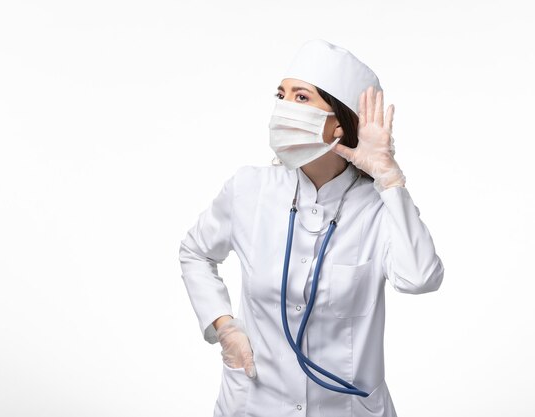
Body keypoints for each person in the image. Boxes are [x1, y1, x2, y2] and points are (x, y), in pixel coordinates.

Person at [178, 39, 444, 417]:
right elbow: (195, 252)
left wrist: (390, 179)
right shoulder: (249, 189)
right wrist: (224, 326)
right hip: (254, 404)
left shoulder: (378, 207)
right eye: (281, 95)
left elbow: (420, 278)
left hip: (347, 408)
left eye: (301, 98)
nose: (284, 108)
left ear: (338, 121)